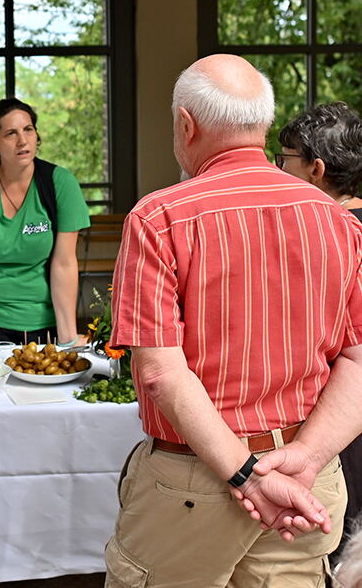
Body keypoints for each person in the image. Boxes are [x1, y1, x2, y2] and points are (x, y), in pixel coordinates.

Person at [105, 54, 362, 587]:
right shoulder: (337, 220)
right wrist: (304, 462)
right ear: (263, 124)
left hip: (192, 485)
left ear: (185, 124)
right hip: (304, 478)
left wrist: (247, 476)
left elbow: (160, 373)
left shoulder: (158, 218)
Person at [275, 101, 362, 553]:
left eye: (284, 158)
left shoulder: (329, 234)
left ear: (316, 169)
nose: (276, 168)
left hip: (338, 411)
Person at [0, 97, 90, 346]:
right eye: (11, 133)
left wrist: (68, 337)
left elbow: (64, 263)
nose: (22, 141)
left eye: (28, 130)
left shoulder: (60, 183)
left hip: (45, 323)